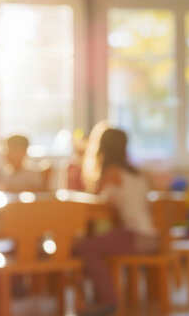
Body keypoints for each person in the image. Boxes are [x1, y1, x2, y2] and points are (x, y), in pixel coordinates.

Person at [77, 123, 158, 316]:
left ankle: (108, 300)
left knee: (85, 248)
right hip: (151, 236)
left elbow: (93, 199)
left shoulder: (112, 171)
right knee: (95, 245)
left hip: (135, 236)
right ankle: (101, 297)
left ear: (101, 148)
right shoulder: (136, 173)